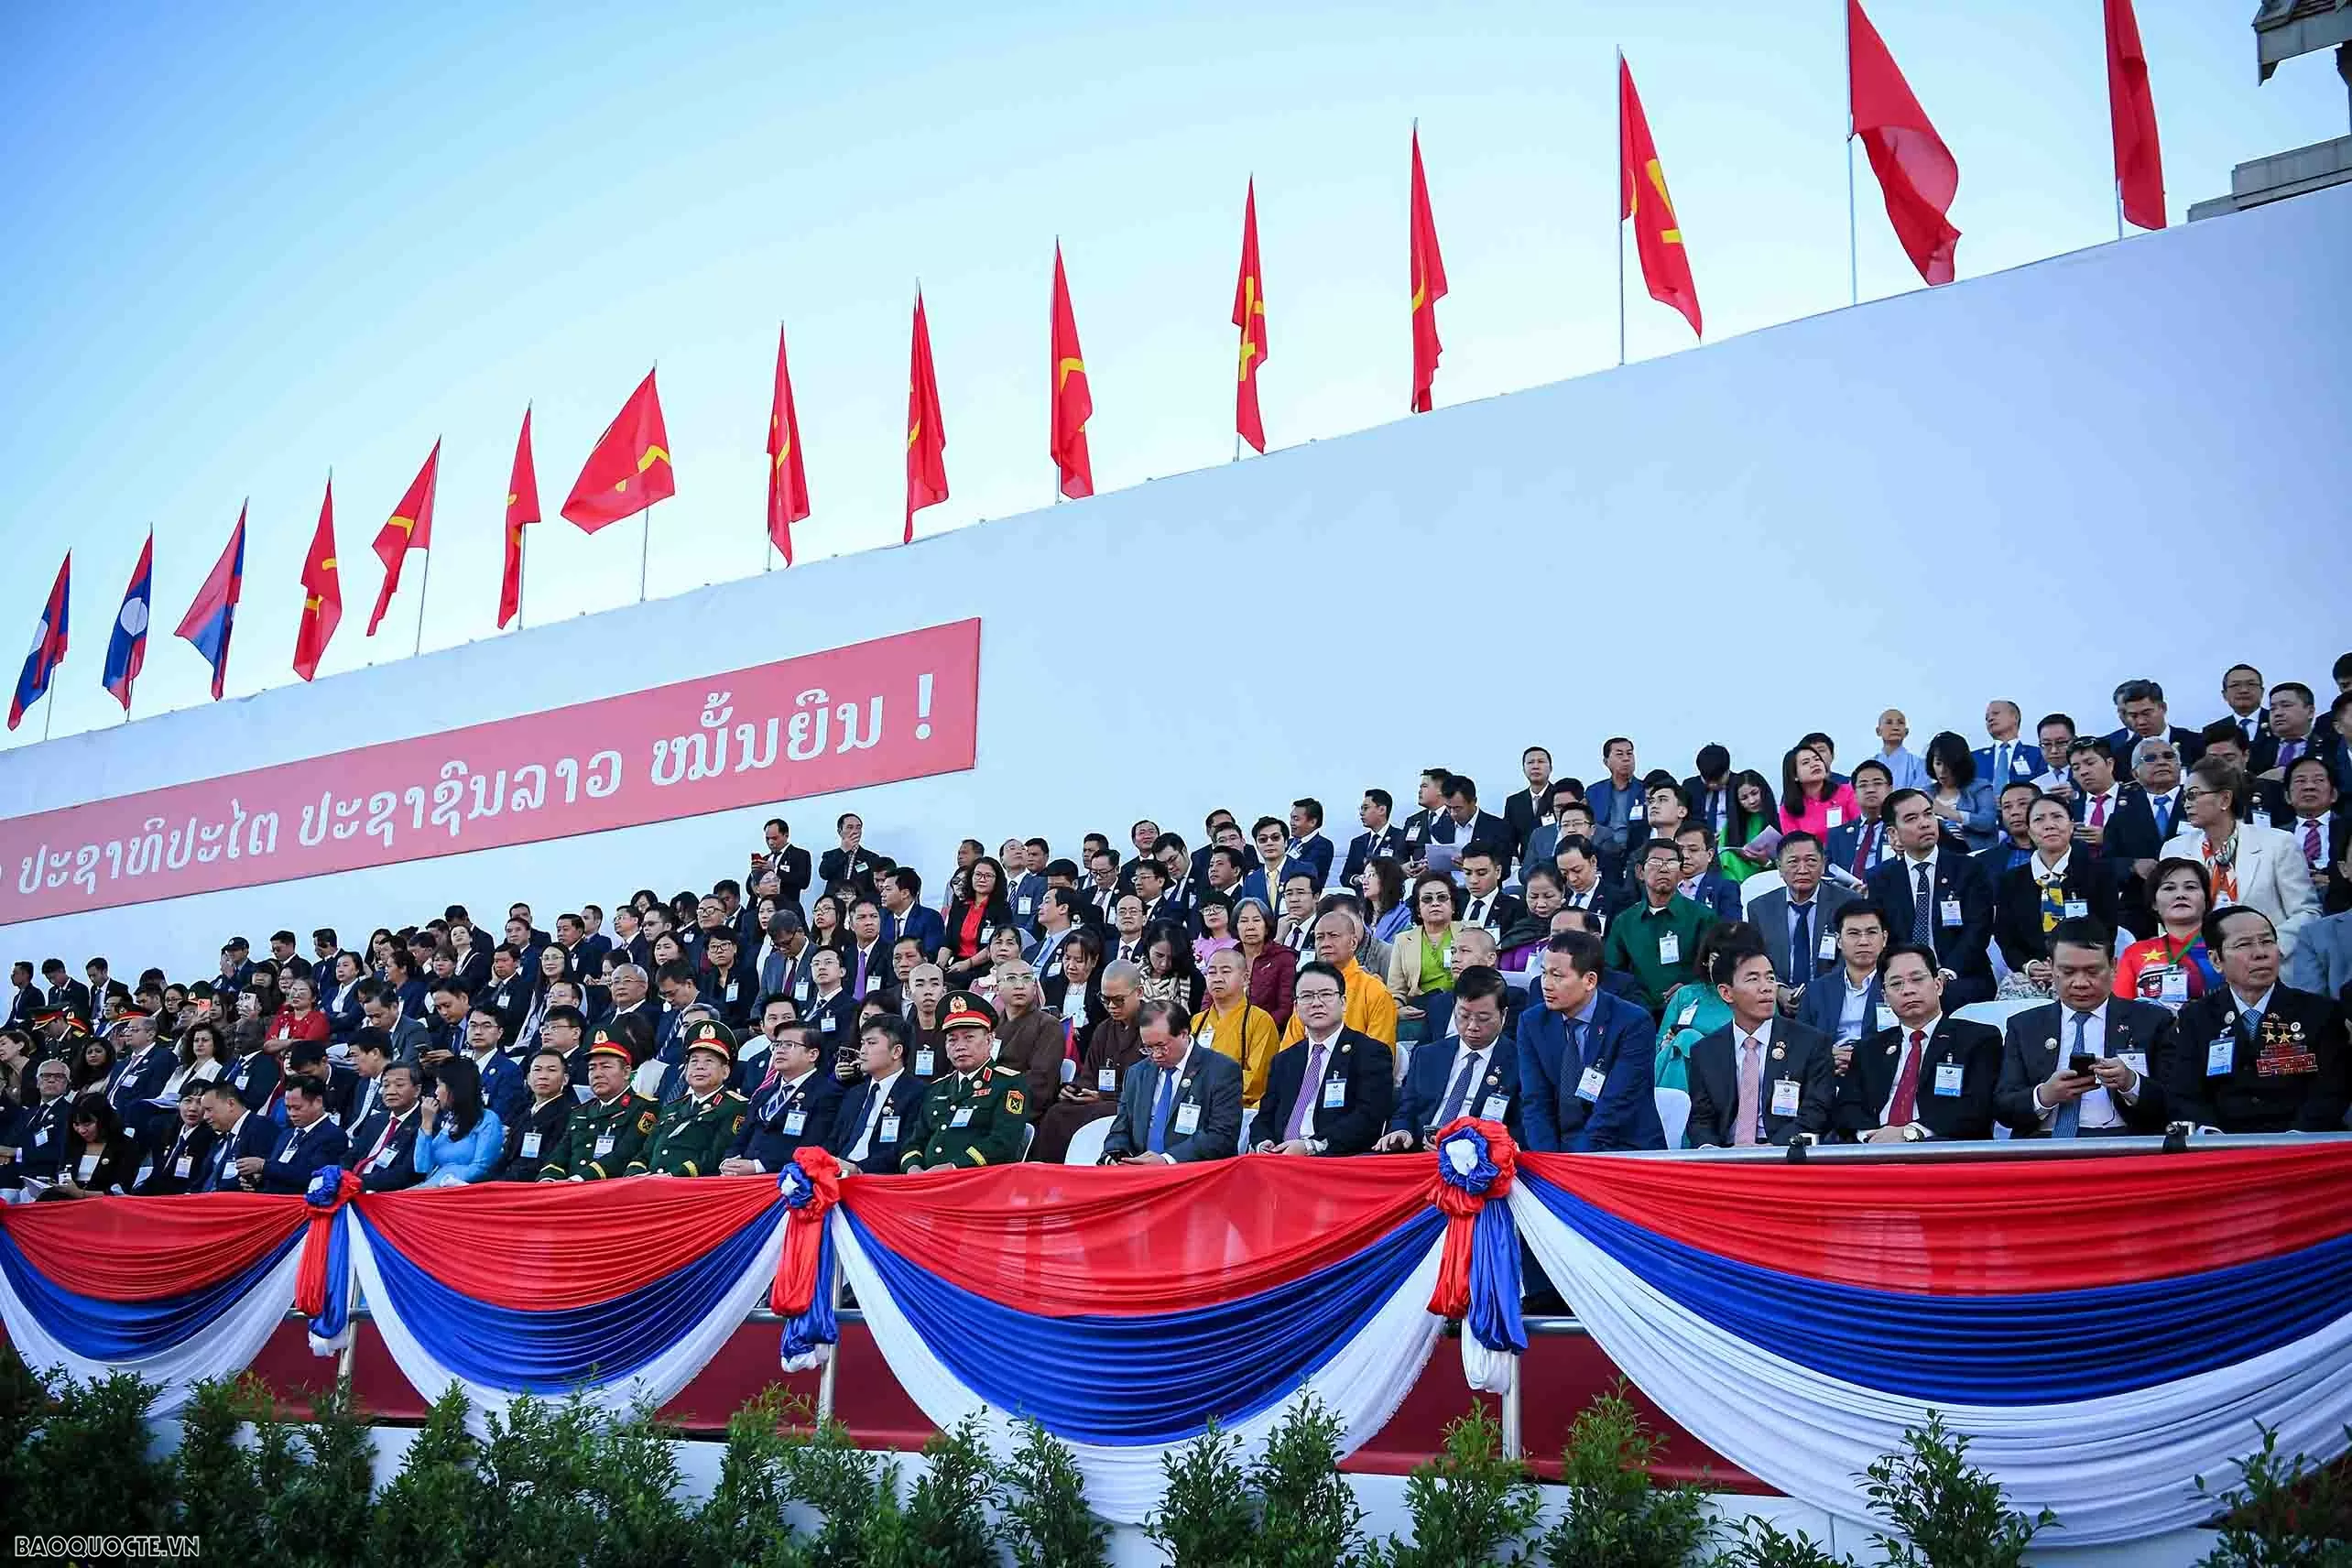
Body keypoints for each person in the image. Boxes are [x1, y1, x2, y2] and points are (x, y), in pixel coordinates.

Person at [2168, 906, 2348, 1133]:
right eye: (2244, 945)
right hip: (2223, 1150)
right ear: (2216, 960)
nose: (2260, 953)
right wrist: (2214, 1138)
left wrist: (2295, 1139)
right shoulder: (2196, 1018)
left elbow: (2331, 1091)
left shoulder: (2320, 1012)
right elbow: (2184, 1094)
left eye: (2267, 942)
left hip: (2302, 1148)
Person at [1993, 920, 2176, 1138]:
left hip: (2123, 1145)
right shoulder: (2024, 1026)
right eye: (2068, 972)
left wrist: (2131, 1083)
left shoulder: (2151, 1020)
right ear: (2051, 968)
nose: (2080, 982)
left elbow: (2176, 1101)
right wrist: (2044, 1096)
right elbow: (2003, 1107)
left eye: (2092, 971)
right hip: (2043, 1147)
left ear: (2113, 966)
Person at [1832, 943, 2004, 1142]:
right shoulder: (1868, 1049)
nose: (1908, 990)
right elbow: (1847, 1107)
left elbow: (1977, 1106)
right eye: (1896, 984)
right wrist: (1870, 1137)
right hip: (1873, 1153)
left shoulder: (1978, 1039)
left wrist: (1911, 1132)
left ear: (1938, 985)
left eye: (1917, 979)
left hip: (1942, 1153)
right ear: (1885, 998)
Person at [2162, 756, 2322, 962]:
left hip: (2268, 965)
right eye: (2185, 797)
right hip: (2196, 966)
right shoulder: (2174, 849)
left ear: (2225, 800)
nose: (2186, 804)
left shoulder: (2278, 844)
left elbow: (2307, 912)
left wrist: (2267, 949)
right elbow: (2166, 918)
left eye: (2193, 795)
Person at [1515, 931, 1662, 1152]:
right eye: (1544, 974)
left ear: (1590, 980)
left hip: (1621, 1148)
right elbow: (1535, 1101)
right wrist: (1546, 1159)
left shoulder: (1632, 1022)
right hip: (1558, 1149)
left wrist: (1574, 1163)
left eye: (1558, 976)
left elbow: (1615, 1107)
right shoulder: (1533, 1022)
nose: (1546, 984)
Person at [1685, 947, 1838, 1147]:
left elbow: (1816, 1113)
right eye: (1753, 979)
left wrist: (1774, 1148)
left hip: (1785, 1156)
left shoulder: (1811, 1043)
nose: (1766, 987)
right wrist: (1711, 1151)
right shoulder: (1705, 1051)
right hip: (1725, 1159)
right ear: (1726, 993)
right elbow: (1700, 1120)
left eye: (1770, 978)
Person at [1866, 789, 1998, 1007]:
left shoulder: (1968, 869)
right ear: (1893, 834)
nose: (1925, 823)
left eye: (1928, 814)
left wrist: (1946, 973)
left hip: (1961, 976)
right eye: (1911, 818)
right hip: (1904, 980)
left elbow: (1978, 930)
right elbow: (1885, 938)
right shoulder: (1881, 879)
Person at [1251, 962, 1395, 1156]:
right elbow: (1263, 1118)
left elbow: (1368, 1119)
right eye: (1307, 996)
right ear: (1295, 1006)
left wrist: (1311, 1146)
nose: (1316, 1003)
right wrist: (1263, 1143)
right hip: (1279, 1161)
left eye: (1326, 994)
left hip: (1333, 1162)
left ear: (1343, 1002)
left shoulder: (1369, 1052)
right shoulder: (1284, 1060)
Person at [1377, 964, 1519, 1151]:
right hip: (1419, 1152)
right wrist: (1402, 1131)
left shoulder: (1518, 1062)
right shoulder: (1428, 1055)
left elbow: (1518, 1128)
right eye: (1464, 1016)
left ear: (1503, 1015)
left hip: (1479, 1159)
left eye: (1483, 1018)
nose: (1472, 1026)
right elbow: (1406, 1109)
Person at [1995, 794, 2123, 988]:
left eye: (2057, 817)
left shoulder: (2099, 873)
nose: (2049, 825)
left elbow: (2107, 930)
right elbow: (2006, 937)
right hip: (2032, 975)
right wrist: (2029, 965)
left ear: (2071, 826)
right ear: (2029, 831)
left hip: (2084, 970)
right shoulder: (2010, 881)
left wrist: (2070, 966)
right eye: (2039, 819)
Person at [1100, 998, 1246, 1163]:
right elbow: (1121, 1129)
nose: (1155, 1054)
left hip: (1195, 1174)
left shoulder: (1221, 1070)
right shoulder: (1137, 1074)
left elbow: (1222, 1136)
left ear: (1183, 1034)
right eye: (1148, 1047)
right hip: (1141, 1172)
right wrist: (1116, 1156)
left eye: (1161, 1046)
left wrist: (1167, 1160)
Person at [899, 993, 1029, 1170]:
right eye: (952, 1039)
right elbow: (915, 1141)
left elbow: (1004, 1142)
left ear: (989, 1040)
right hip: (926, 1182)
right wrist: (912, 1168)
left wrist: (954, 1167)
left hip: (975, 1181)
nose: (960, 1046)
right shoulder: (938, 1089)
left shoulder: (1009, 1083)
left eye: (969, 1037)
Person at [1603, 839, 1717, 1011]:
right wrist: (1636, 997)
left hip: (1691, 1007)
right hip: (1638, 1010)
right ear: (1640, 872)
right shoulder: (1625, 921)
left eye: (1671, 863)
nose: (1664, 869)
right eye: (1655, 862)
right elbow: (1613, 971)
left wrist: (1690, 988)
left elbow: (1714, 967)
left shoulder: (1702, 917)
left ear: (1680, 872)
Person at [626, 1019, 747, 1176]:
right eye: (694, 1061)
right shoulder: (673, 1107)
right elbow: (646, 1151)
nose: (699, 1066)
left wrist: (673, 1176)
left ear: (725, 1072)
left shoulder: (734, 1106)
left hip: (689, 1187)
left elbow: (715, 1156)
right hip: (651, 1183)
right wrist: (634, 1172)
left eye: (709, 1061)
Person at [721, 1021, 842, 1174]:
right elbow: (742, 1136)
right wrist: (730, 1160)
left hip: (784, 1179)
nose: (779, 1051)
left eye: (789, 1045)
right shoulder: (763, 1094)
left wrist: (758, 1166)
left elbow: (812, 1144)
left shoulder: (827, 1093)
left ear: (812, 1054)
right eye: (777, 1045)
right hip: (742, 1176)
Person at [1281, 909, 1399, 1048]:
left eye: (1333, 936)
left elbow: (1380, 1056)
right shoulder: (1307, 992)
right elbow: (1288, 1053)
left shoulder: (1375, 991)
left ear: (1353, 942)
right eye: (1320, 937)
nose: (1325, 943)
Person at [828, 1015, 928, 1173]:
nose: (862, 1051)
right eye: (862, 1043)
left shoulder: (918, 1093)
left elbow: (904, 1148)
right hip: (838, 1172)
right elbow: (833, 1141)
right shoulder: (854, 1093)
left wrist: (859, 1169)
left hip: (877, 1180)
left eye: (871, 1043)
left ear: (896, 1051)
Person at [1192, 947, 1280, 1110]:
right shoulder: (1197, 1022)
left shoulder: (1260, 1020)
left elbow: (1257, 1079)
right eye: (1211, 972)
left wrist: (1210, 1089)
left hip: (1237, 1109)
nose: (1217, 978)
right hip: (1195, 1105)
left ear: (1245, 978)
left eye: (1226, 971)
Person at [413, 1055, 503, 1186]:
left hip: (457, 1192)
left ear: (455, 1087)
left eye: (439, 1085)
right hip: (431, 1188)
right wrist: (426, 1124)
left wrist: (442, 1182)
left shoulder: (488, 1119)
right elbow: (421, 1167)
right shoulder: (450, 1119)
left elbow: (481, 1168)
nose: (436, 1092)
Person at [490, 1049, 575, 1180]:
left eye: (551, 1070)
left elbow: (548, 1159)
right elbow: (506, 1155)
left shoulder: (569, 1115)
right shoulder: (523, 1112)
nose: (543, 1076)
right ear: (528, 1079)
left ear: (565, 1079)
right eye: (537, 1070)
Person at [256, 1077, 351, 1192]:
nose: (291, 1114)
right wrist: (258, 1179)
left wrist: (264, 1166)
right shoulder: (286, 1135)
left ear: (318, 1102)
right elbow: (275, 1170)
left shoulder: (333, 1136)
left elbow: (312, 1175)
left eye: (297, 1108)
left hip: (299, 1203)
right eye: (288, 1108)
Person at [1387, 873, 1459, 1021]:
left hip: (1461, 1003)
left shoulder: (1470, 932)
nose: (1435, 903)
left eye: (1442, 898)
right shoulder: (1403, 940)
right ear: (1418, 909)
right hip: (1421, 1008)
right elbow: (1396, 990)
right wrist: (1397, 1010)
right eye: (1427, 899)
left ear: (1453, 906)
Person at [43, 1094, 144, 1199]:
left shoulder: (126, 1146)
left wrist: (81, 1194)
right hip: (68, 1202)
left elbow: (121, 1190)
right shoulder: (73, 1143)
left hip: (103, 1205)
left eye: (87, 1124)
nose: (81, 1130)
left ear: (104, 1121)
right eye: (76, 1124)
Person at [199, 1078, 284, 1192]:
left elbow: (261, 1178)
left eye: (209, 1110)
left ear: (231, 1104)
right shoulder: (222, 1135)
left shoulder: (261, 1128)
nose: (205, 1117)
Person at [1924, 731, 1999, 855]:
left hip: (1975, 857)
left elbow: (1988, 822)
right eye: (1938, 763)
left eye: (1949, 764)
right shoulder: (1926, 793)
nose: (1943, 771)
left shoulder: (1980, 787)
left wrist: (1946, 812)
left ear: (1961, 764)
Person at [135, 1084, 218, 1195]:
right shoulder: (171, 1131)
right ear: (179, 1104)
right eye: (188, 1101)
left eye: (200, 1102)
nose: (192, 1108)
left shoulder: (210, 1138)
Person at [1233, 898, 1297, 1032]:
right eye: (1244, 921)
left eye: (1256, 920)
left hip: (1269, 1032)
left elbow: (1286, 1008)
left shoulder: (1284, 957)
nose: (1250, 926)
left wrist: (1256, 1030)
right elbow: (1210, 1001)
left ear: (1267, 927)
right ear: (1236, 927)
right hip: (1230, 1031)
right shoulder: (1228, 957)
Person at [1825, 759, 1896, 880]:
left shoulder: (1900, 829)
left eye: (1877, 783)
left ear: (1890, 789)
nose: (1870, 790)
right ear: (1854, 794)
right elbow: (1829, 873)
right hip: (1847, 895)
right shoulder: (1837, 834)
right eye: (1863, 785)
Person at [1778, 744, 1860, 841]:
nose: (1814, 764)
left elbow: (1861, 827)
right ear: (1794, 775)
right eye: (1806, 763)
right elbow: (1795, 845)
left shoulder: (1847, 792)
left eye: (1817, 759)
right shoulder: (1788, 810)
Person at [1671, 824, 1743, 921]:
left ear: (1709, 855)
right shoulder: (1661, 886)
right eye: (1679, 850)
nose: (1685, 855)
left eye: (1693, 850)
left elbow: (1731, 930)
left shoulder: (1725, 888)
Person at [1974, 700, 2047, 791]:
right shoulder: (1974, 758)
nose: (1990, 719)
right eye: (1986, 718)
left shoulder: (2037, 754)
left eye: (1996, 713)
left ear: (2015, 717)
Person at [1343, 789, 1411, 887]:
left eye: (1365, 808)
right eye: (1361, 809)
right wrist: (1357, 879)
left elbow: (1403, 870)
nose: (1361, 813)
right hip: (1360, 898)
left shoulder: (1401, 838)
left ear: (1382, 810)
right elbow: (1345, 877)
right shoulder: (1357, 842)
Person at [1868, 709, 1931, 793]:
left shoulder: (1918, 764)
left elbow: (1921, 796)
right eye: (1889, 722)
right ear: (1878, 731)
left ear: (1906, 732)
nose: (1895, 727)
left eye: (1900, 723)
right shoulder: (1869, 765)